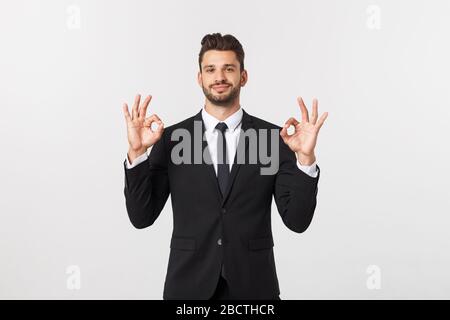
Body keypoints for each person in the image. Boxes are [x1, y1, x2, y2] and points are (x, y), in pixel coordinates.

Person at [122, 33, 328, 300]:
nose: (219, 77)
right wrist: (138, 152)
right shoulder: (171, 140)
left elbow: (298, 221)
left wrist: (305, 160)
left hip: (254, 289)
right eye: (210, 70)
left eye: (228, 69)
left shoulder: (273, 140)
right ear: (200, 78)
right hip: (188, 288)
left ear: (243, 77)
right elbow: (141, 217)